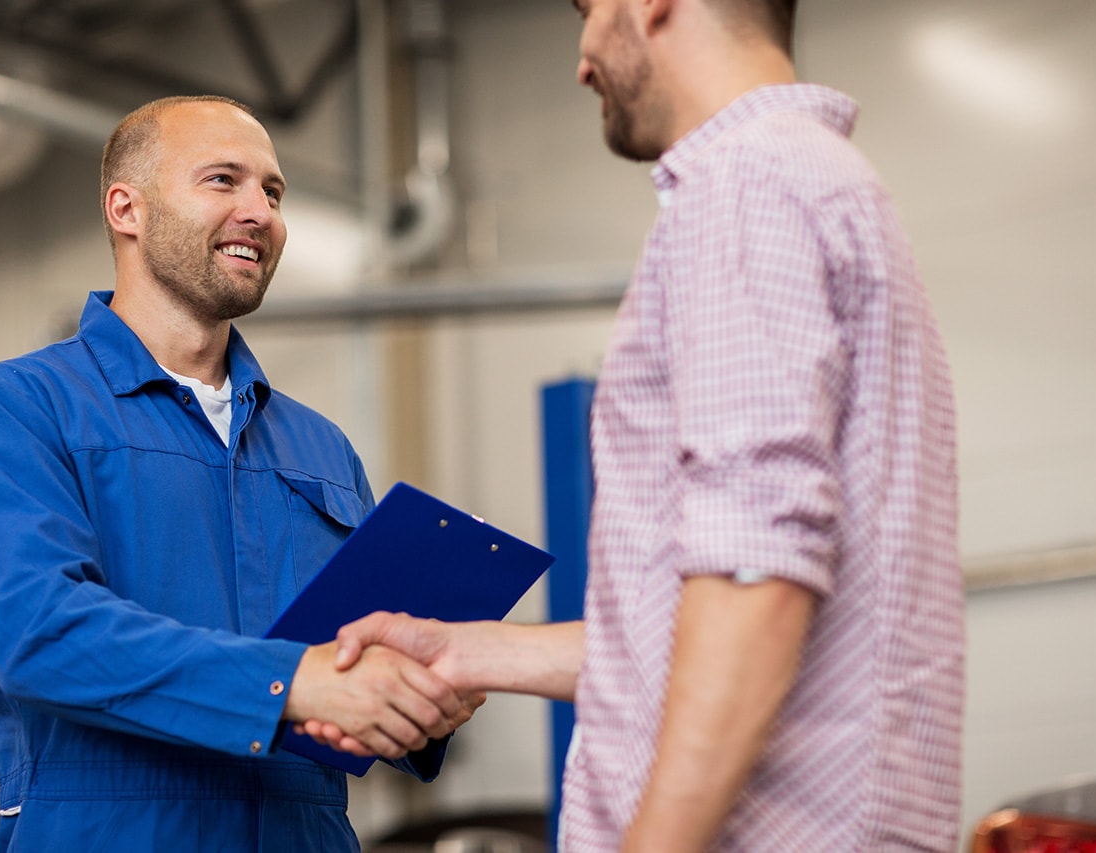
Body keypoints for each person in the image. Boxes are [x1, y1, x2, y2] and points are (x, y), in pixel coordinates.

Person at [305, 0, 965, 850]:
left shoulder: (743, 187)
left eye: (587, 12)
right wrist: (471, 653)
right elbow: (709, 617)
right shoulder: (825, 183)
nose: (582, 60)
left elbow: (755, 575)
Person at [0, 95, 478, 853]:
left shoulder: (322, 448)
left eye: (274, 191)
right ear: (128, 209)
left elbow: (355, 668)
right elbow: (42, 634)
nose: (260, 211)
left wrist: (421, 698)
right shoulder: (22, 409)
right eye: (223, 180)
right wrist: (291, 683)